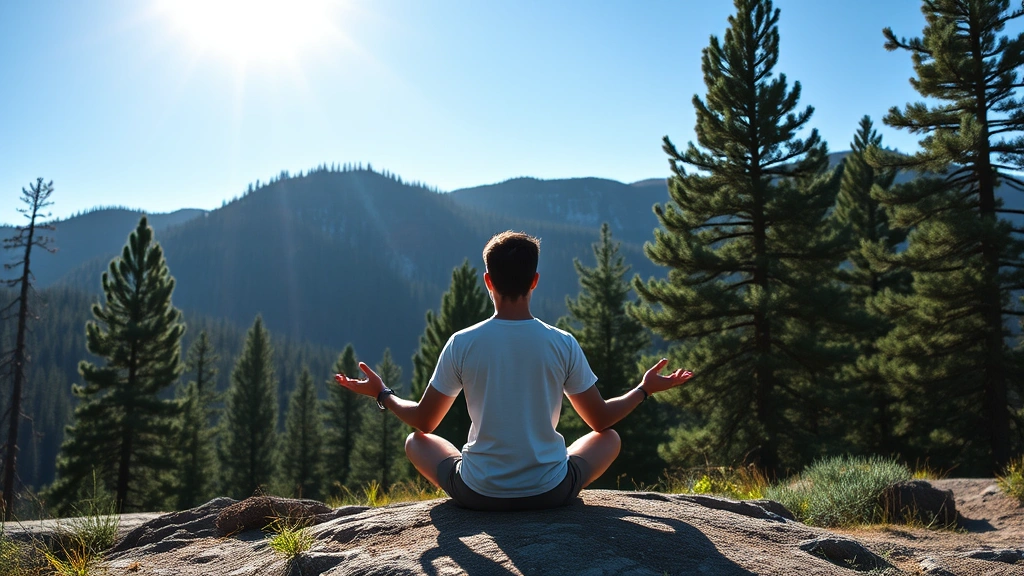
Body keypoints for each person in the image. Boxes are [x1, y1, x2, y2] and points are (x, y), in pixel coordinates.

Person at [335, 231, 693, 511]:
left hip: (478, 494)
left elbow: (425, 422)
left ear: (488, 281)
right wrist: (643, 389)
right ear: (534, 281)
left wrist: (383, 394)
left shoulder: (462, 342)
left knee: (416, 442)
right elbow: (600, 421)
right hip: (550, 493)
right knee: (611, 439)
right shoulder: (562, 342)